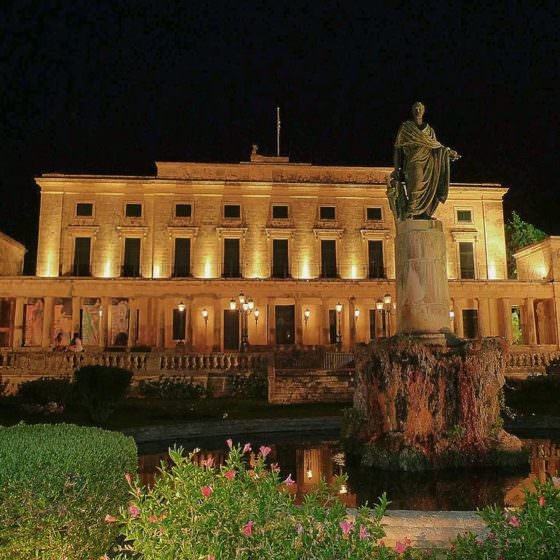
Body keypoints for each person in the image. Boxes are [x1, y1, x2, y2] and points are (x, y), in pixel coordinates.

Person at [387, 101, 460, 221]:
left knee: (429, 188)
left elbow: (437, 146)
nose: (418, 111)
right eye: (416, 109)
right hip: (414, 160)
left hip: (429, 162)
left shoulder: (429, 130)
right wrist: (396, 168)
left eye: (420, 109)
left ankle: (424, 213)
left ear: (424, 111)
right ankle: (412, 211)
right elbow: (398, 148)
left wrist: (447, 152)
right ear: (412, 111)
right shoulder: (406, 128)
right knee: (415, 185)